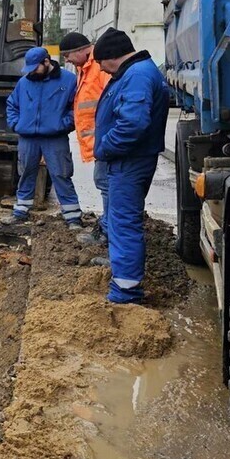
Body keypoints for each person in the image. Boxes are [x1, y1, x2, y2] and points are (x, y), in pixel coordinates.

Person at [93, 28, 170, 304]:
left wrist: (105, 147)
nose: (100, 68)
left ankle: (126, 290)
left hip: (129, 161)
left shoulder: (136, 75)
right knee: (118, 219)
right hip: (127, 160)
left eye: (101, 62)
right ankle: (122, 272)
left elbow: (133, 123)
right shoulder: (133, 72)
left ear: (112, 56)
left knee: (124, 222)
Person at [2, 46, 82, 227]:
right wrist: (16, 124)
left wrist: (63, 125)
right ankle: (20, 212)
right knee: (25, 173)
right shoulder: (25, 82)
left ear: (46, 62)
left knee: (61, 174)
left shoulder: (69, 81)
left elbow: (75, 108)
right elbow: (12, 104)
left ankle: (73, 217)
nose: (31, 72)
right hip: (28, 137)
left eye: (34, 68)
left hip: (55, 137)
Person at [60, 31, 111, 246]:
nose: (66, 60)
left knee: (107, 185)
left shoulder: (100, 68)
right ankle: (108, 227)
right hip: (100, 141)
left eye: (68, 54)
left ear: (82, 50)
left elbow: (111, 101)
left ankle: (109, 232)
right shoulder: (85, 69)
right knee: (104, 184)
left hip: (106, 141)